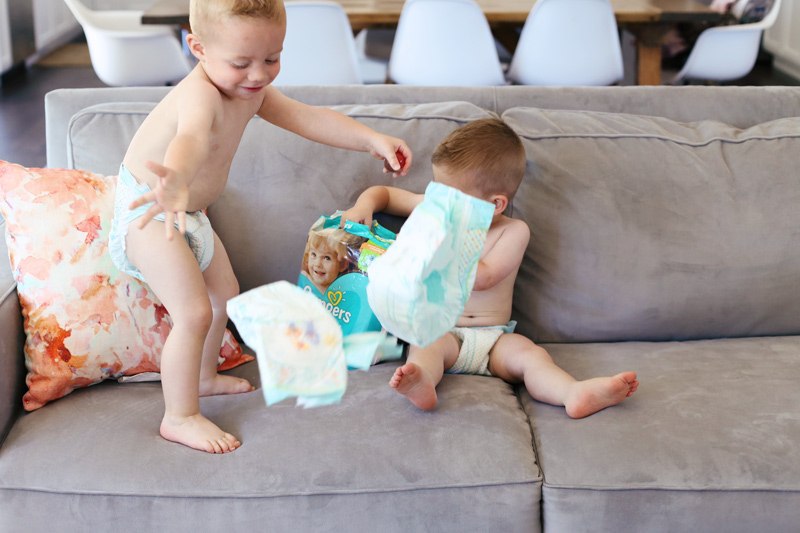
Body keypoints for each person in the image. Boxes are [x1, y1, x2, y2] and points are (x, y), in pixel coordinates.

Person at [109, 0, 412, 454]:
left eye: (272, 58)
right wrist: (176, 179)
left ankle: (203, 377)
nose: (257, 75)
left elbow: (309, 118)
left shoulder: (253, 92)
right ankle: (179, 416)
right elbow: (190, 138)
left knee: (224, 296)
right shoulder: (200, 95)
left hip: (190, 213)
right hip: (153, 212)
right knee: (193, 313)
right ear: (198, 48)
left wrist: (372, 139)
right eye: (241, 63)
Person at [342, 118, 638, 416]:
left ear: (495, 204)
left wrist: (438, 246)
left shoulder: (514, 231)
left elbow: (484, 277)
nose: (440, 202)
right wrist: (364, 205)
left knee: (531, 355)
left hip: (494, 339)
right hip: (443, 331)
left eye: (451, 197)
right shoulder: (435, 209)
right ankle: (422, 382)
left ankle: (572, 392)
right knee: (424, 349)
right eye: (437, 190)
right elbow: (386, 195)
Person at [300, 228, 362, 294]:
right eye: (314, 254)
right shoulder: (304, 278)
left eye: (327, 258)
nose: (317, 264)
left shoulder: (342, 289)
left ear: (342, 265)